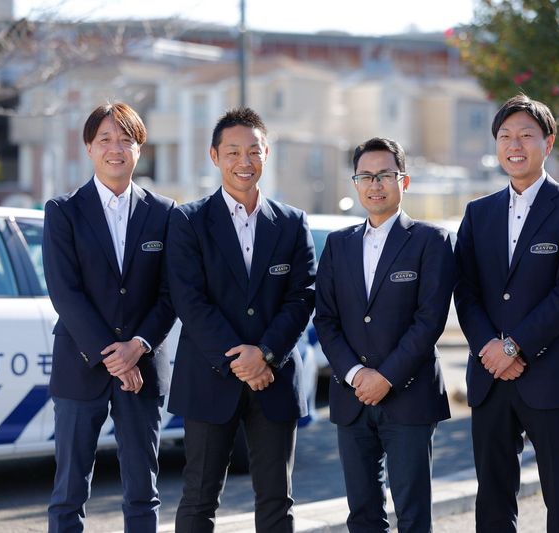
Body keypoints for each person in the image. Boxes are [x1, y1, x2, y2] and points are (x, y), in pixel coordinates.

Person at [454, 94, 559, 533]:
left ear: (548, 143)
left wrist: (514, 346)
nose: (514, 145)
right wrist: (490, 348)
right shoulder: (478, 212)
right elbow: (465, 290)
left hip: (553, 374)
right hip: (490, 378)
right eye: (505, 136)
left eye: (525, 135)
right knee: (493, 501)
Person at [166, 107, 316, 533]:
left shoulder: (291, 223)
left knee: (276, 500)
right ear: (214, 156)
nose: (244, 161)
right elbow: (189, 300)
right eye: (232, 152)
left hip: (274, 378)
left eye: (253, 151)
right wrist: (240, 360)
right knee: (199, 498)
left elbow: (302, 296)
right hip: (209, 378)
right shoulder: (188, 220)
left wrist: (265, 354)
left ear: (266, 153)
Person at [43, 102, 177, 532]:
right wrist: (113, 357)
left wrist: (138, 346)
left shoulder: (165, 212)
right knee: (68, 493)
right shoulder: (63, 210)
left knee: (143, 492)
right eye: (105, 139)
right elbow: (65, 292)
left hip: (143, 366)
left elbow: (171, 293)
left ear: (140, 149)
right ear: (89, 147)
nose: (115, 148)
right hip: (80, 366)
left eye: (126, 140)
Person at [314, 137, 456, 533]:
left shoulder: (432, 241)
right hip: (352, 397)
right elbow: (326, 319)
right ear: (355, 183)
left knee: (413, 514)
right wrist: (357, 374)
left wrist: (386, 377)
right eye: (365, 176)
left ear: (403, 181)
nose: (375, 184)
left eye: (385, 175)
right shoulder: (338, 244)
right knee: (362, 515)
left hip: (409, 395)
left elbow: (429, 320)